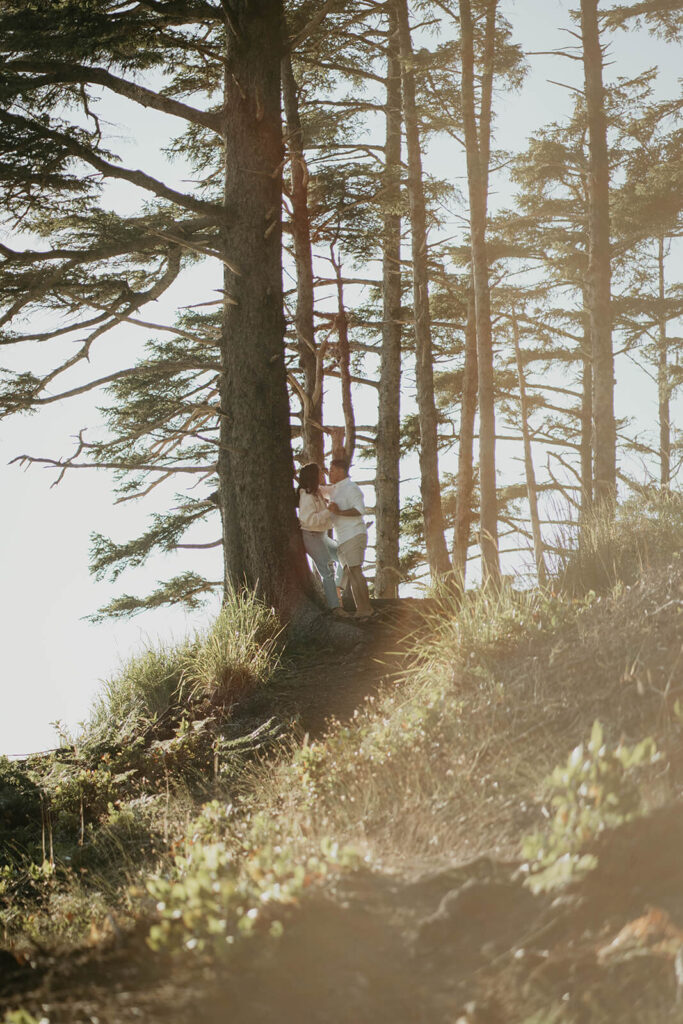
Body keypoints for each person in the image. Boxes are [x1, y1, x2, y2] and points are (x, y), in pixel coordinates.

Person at [297, 463, 348, 616]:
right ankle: (335, 607)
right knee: (327, 571)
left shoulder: (317, 491)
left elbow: (333, 492)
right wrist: (328, 511)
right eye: (320, 473)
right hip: (311, 536)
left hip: (321, 536)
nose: (323, 475)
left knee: (345, 556)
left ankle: (337, 589)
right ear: (313, 475)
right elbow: (309, 521)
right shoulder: (306, 496)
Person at [327, 458, 374, 620]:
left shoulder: (351, 488)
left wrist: (339, 512)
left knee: (355, 570)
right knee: (351, 572)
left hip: (354, 534)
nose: (329, 473)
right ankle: (361, 609)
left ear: (341, 471)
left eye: (331, 470)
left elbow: (359, 510)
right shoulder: (335, 489)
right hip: (343, 538)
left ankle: (366, 609)